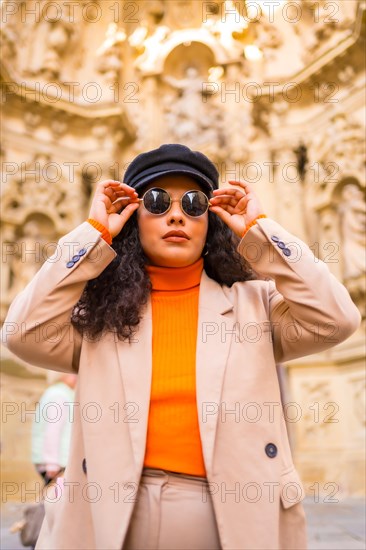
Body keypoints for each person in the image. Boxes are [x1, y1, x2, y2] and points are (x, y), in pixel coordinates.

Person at [1, 144, 361, 550]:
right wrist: (93, 235)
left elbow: (338, 318)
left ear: (211, 221)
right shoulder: (100, 317)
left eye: (194, 203)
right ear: (134, 220)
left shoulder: (255, 306)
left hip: (230, 520)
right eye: (155, 201)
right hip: (113, 520)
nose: (176, 215)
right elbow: (21, 332)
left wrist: (260, 231)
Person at [32, 373, 77, 486]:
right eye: (71, 374)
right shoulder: (59, 396)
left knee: (58, 497)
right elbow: (53, 429)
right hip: (56, 463)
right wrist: (52, 462)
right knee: (58, 498)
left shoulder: (58, 393)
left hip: (54, 461)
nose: (75, 377)